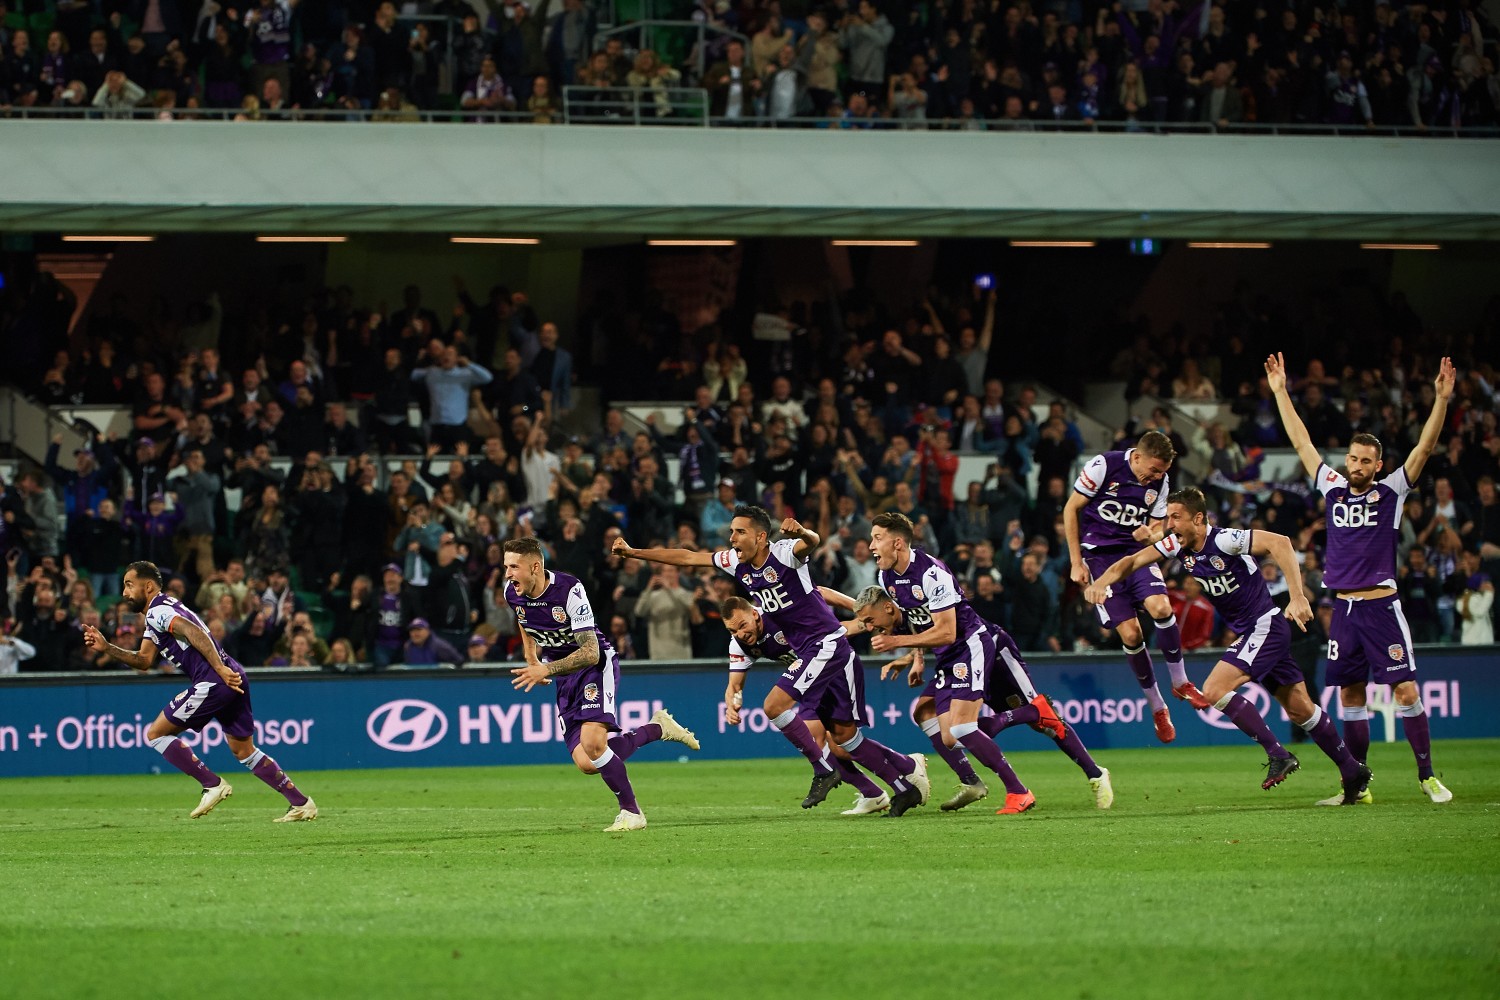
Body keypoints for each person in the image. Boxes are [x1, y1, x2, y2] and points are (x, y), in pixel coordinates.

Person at [614, 506, 931, 815]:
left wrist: (803, 532)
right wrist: (634, 552)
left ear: (761, 536)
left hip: (824, 643)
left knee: (774, 706)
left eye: (740, 532)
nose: (733, 538)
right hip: (810, 651)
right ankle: (904, 784)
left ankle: (823, 770)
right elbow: (685, 557)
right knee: (845, 738)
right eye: (731, 532)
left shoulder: (784, 553)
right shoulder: (733, 562)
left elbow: (813, 542)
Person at [1087, 489, 1371, 804]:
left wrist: (1298, 595)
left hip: (1264, 627)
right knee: (1300, 709)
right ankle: (1353, 771)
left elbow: (1281, 543)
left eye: (1176, 517)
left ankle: (1278, 753)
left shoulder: (1225, 540)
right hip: (1257, 632)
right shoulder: (1176, 545)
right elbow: (1132, 561)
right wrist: (1102, 582)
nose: (1170, 524)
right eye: (1168, 517)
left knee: (1213, 689)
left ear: (1198, 519)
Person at [1266, 352, 1455, 805]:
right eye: (1351, 458)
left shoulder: (1391, 491)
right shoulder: (1331, 486)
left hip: (1382, 607)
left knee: (1405, 688)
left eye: (1364, 460)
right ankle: (1357, 786)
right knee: (1351, 695)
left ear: (1377, 464)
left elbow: (1425, 448)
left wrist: (1442, 400)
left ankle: (1427, 776)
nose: (1355, 465)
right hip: (1343, 611)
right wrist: (1280, 392)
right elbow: (1301, 441)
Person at [841, 511, 1113, 813]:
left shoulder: (932, 575)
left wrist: (896, 643)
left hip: (977, 645)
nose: (871, 545)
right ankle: (974, 778)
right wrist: (915, 657)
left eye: (877, 538)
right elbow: (918, 620)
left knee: (1030, 726)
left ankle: (1091, 773)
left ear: (899, 543)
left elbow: (947, 630)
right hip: (950, 655)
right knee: (931, 718)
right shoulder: (887, 577)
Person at [79, 561, 317, 822]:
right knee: (243, 750)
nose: (124, 592)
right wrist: (107, 647)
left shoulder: (158, 610)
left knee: (156, 734)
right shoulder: (157, 616)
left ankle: (212, 784)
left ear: (147, 586)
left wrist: (218, 668)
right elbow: (144, 661)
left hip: (215, 678)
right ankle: (301, 803)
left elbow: (191, 632)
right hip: (231, 673)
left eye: (128, 584)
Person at [503, 537, 699, 832]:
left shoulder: (569, 590)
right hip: (562, 673)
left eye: (513, 567)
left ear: (535, 566)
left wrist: (545, 667)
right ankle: (658, 729)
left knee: (594, 743)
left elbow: (590, 651)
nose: (507, 573)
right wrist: (531, 656)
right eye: (506, 566)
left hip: (594, 666)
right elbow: (523, 618)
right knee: (587, 762)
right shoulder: (512, 592)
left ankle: (632, 813)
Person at [1064, 430, 1202, 744]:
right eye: (1153, 470)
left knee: (1162, 607)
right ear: (1136, 456)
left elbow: (1155, 526)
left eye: (1162, 472)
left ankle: (1180, 681)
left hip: (1135, 556)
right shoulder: (1104, 466)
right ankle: (1157, 707)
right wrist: (1075, 562)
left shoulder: (1160, 482)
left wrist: (1151, 535)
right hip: (1099, 559)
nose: (1156, 476)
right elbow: (1071, 508)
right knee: (1130, 634)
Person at [722, 596, 899, 816]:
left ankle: (903, 770)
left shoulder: (778, 613)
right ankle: (875, 790)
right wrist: (731, 703)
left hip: (834, 667)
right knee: (829, 745)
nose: (740, 634)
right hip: (809, 677)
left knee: (839, 742)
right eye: (732, 631)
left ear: (755, 614)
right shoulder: (739, 644)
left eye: (742, 626)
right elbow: (734, 685)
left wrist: (862, 615)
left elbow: (821, 597)